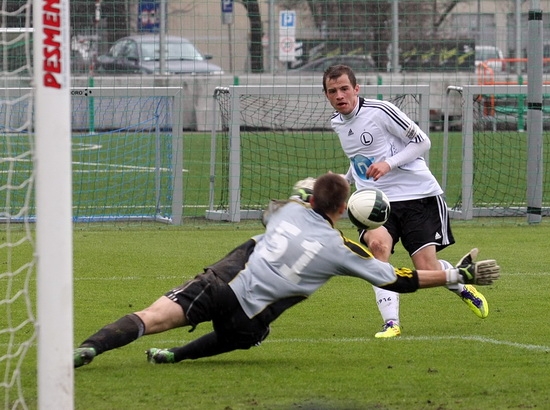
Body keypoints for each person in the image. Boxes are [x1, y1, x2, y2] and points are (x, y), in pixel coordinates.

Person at [73, 173, 499, 367]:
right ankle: (175, 356)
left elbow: (291, 198)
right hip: (250, 316)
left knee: (151, 318)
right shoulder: (341, 249)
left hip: (218, 283)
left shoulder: (285, 211)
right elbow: (398, 280)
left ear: (311, 199)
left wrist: (311, 190)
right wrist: (456, 276)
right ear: (342, 210)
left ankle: (90, 348)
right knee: (245, 337)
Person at [322, 64, 489, 338]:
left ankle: (460, 279)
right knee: (378, 249)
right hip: (374, 202)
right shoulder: (337, 122)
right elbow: (359, 158)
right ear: (327, 95)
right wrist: (345, 181)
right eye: (332, 91)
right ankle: (391, 323)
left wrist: (389, 164)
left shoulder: (380, 111)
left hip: (417, 195)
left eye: (344, 89)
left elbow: (422, 142)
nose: (339, 95)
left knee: (426, 269)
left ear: (356, 89)